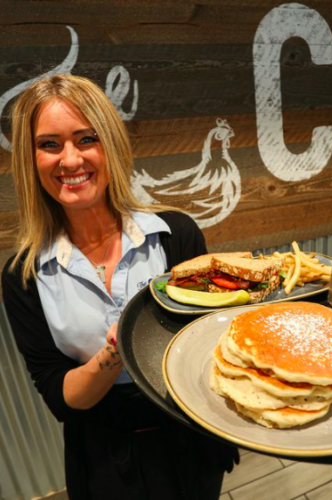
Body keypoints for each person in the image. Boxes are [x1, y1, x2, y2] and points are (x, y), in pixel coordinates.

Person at [2, 74, 239, 500]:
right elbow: (59, 394)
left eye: (86, 139)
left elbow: (209, 346)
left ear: (110, 144)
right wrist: (119, 348)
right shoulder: (24, 275)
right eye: (49, 144)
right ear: (30, 158)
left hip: (189, 433)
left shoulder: (176, 234)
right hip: (103, 451)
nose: (70, 160)